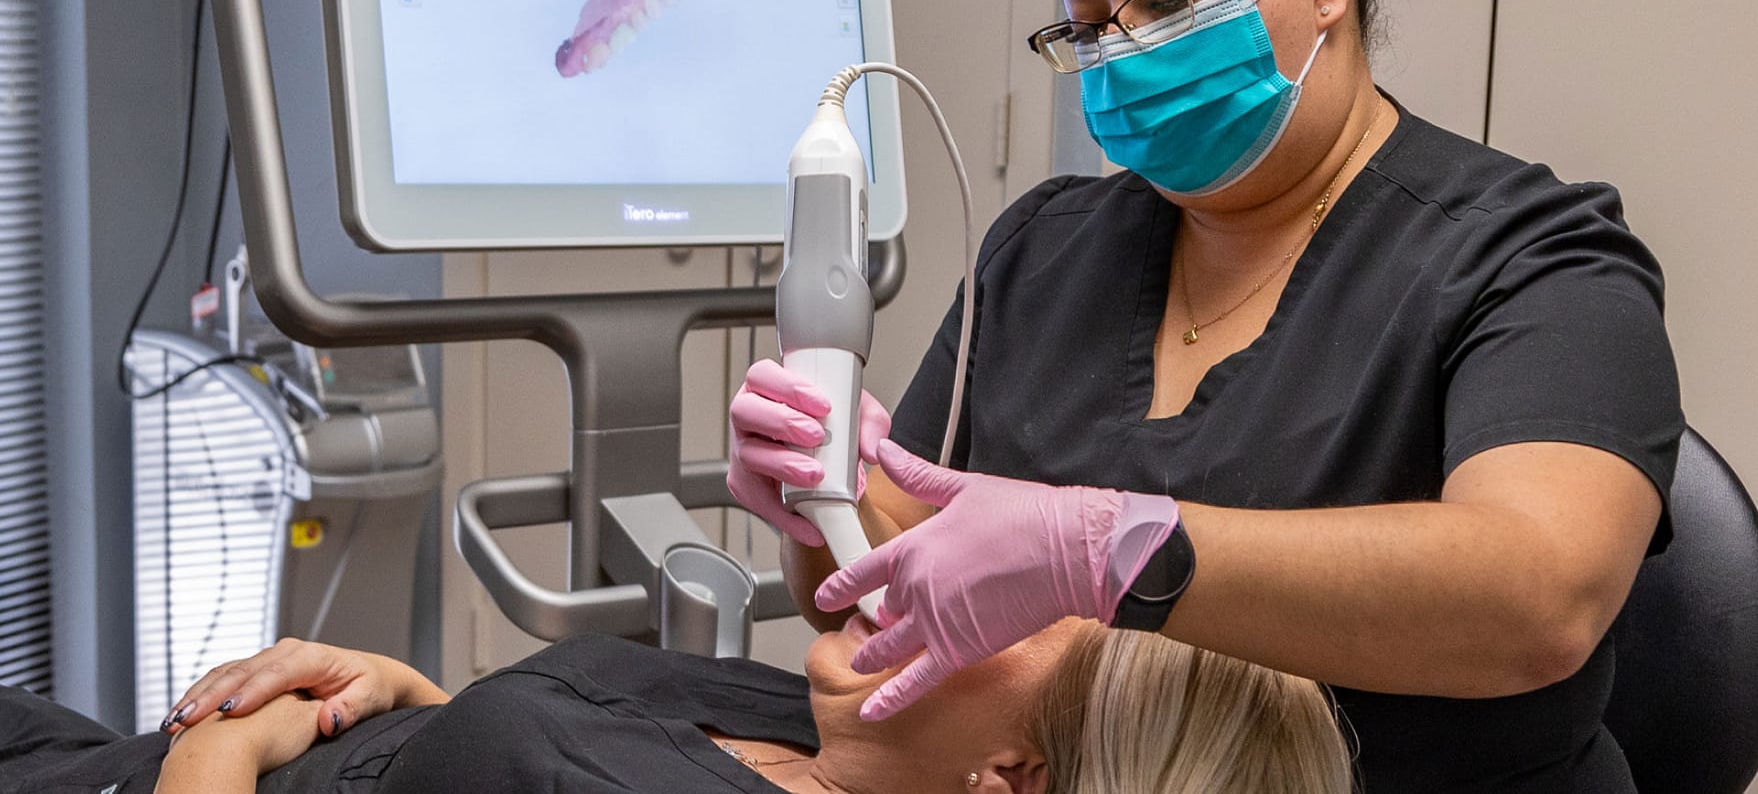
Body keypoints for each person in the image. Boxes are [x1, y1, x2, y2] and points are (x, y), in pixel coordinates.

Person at [727, 0, 1682, 790]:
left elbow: (1536, 601)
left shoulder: (1533, 260)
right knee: (554, 711)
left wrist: (1108, 550)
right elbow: (873, 592)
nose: (1122, 54)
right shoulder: (1044, 251)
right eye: (1088, 25)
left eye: (1169, 0)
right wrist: (821, 502)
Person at [0, 618, 1352, 793]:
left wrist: (232, 750)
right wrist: (414, 698)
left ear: (1012, 777)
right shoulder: (840, 738)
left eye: (1003, 619)